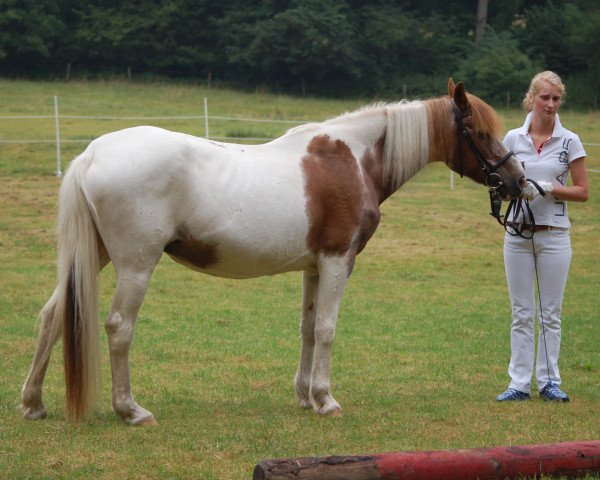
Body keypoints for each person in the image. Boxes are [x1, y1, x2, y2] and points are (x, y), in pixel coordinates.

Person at [497, 71, 589, 402]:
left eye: (556, 99)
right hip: (517, 235)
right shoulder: (512, 139)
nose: (550, 104)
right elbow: (502, 187)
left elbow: (582, 191)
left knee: (549, 313)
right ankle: (519, 383)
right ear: (531, 99)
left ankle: (549, 380)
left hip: (555, 236)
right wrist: (513, 192)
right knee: (521, 312)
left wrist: (550, 189)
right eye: (545, 98)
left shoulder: (570, 141)